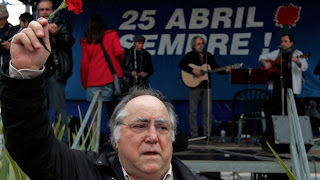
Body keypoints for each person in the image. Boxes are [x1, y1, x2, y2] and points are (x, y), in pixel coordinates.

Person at [0, 18, 207, 179]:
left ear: (172, 140)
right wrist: (25, 72)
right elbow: (31, 146)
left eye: (162, 127)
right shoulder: (83, 172)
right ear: (116, 139)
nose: (152, 136)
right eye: (140, 126)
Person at [259, 34, 308, 153]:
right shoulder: (277, 53)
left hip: (290, 86)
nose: (283, 43)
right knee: (276, 110)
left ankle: (291, 137)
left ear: (291, 42)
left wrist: (297, 61)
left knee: (289, 110)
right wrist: (265, 63)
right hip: (278, 85)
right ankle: (274, 137)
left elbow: (305, 66)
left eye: (285, 41)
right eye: (282, 41)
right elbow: (262, 56)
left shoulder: (298, 53)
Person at [37, 0, 75, 144]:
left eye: (47, 9)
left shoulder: (61, 23)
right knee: (40, 110)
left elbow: (69, 41)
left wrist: (58, 33)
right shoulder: (35, 26)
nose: (45, 12)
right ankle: (44, 141)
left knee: (59, 109)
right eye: (42, 9)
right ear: (38, 12)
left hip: (56, 72)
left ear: (53, 10)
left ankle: (63, 143)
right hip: (39, 73)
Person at [179, 36, 231, 138]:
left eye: (202, 43)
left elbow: (215, 68)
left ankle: (207, 134)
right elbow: (182, 64)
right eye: (198, 43)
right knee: (193, 111)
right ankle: (194, 135)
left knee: (208, 111)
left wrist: (225, 70)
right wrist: (193, 70)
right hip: (194, 85)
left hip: (206, 86)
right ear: (194, 45)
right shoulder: (190, 55)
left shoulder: (208, 56)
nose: (201, 45)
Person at [80, 14, 124, 120]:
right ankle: (113, 136)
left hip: (92, 81)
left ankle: (95, 136)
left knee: (94, 114)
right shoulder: (112, 35)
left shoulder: (87, 41)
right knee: (112, 111)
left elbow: (84, 64)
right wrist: (117, 64)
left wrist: (84, 83)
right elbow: (119, 53)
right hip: (109, 78)